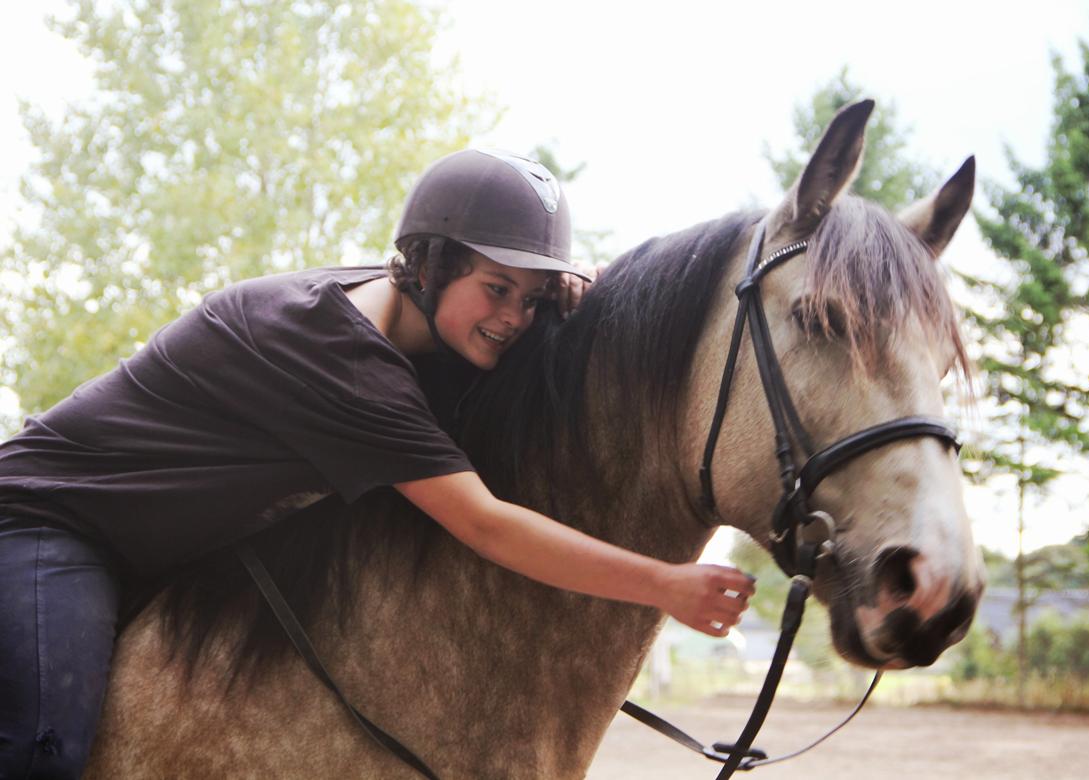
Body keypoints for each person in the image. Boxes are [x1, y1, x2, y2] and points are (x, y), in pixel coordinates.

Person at [0, 148, 755, 778]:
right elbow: (486, 526)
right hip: (48, 522)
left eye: (530, 299)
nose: (514, 320)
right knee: (44, 748)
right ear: (427, 266)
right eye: (497, 289)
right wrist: (665, 584)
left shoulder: (408, 315)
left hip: (166, 540)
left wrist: (572, 289)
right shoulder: (343, 362)